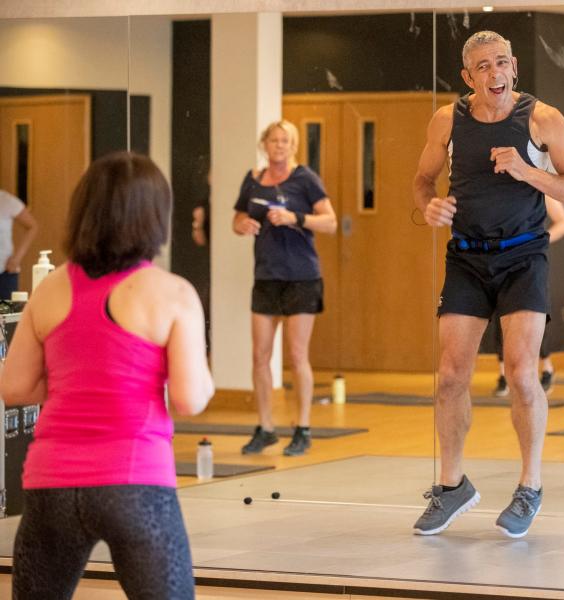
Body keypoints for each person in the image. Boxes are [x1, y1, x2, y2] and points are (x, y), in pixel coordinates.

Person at [0, 152, 213, 598]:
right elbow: (189, 399)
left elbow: (14, 387)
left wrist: (71, 382)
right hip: (136, 484)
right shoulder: (171, 293)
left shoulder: (50, 289)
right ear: (156, 217)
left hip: (52, 484)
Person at [412, 30, 564, 538]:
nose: (495, 74)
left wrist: (528, 171)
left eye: (502, 64)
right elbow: (422, 180)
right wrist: (428, 206)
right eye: (483, 67)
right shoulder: (448, 120)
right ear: (468, 77)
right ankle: (452, 486)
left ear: (514, 67)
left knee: (519, 371)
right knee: (450, 375)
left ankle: (529, 486)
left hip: (523, 258)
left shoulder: (542, 119)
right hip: (467, 258)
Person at [233, 119, 337, 457]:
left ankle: (302, 428)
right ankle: (265, 428)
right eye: (274, 140)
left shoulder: (304, 179)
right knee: (259, 356)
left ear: (293, 146)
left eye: (285, 141)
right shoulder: (253, 180)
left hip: (301, 276)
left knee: (296, 355)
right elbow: (237, 219)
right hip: (266, 276)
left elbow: (331, 222)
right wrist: (243, 224)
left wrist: (296, 218)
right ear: (264, 144)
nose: (279, 146)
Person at [491, 195, 564, 397]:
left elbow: (563, 223)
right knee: (499, 317)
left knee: (534, 316)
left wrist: (536, 243)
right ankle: (503, 374)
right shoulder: (494, 192)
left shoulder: (538, 189)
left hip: (529, 263)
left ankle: (546, 368)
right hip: (497, 261)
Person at [0, 188, 38, 300]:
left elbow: (32, 226)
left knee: (7, 315)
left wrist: (17, 258)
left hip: (4, 272)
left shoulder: (6, 200)